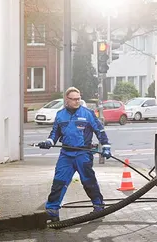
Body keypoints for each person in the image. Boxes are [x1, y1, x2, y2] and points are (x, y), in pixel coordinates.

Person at [38, 87, 112, 222]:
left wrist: (106, 146)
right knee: (59, 181)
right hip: (66, 155)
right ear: (67, 100)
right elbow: (55, 133)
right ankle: (52, 210)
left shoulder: (88, 114)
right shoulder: (60, 115)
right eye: (74, 99)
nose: (77, 101)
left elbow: (100, 131)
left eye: (79, 99)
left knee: (88, 181)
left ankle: (99, 206)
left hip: (83, 154)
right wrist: (49, 142)